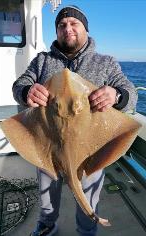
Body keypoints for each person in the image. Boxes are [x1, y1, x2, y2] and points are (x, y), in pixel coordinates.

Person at [12, 5, 138, 236]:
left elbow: (129, 91)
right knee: (47, 193)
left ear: (85, 29)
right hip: (47, 144)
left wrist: (116, 94)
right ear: (57, 31)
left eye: (73, 23)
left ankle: (87, 230)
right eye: (61, 25)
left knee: (89, 193)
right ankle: (48, 225)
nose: (67, 28)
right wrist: (27, 91)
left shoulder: (106, 63)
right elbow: (19, 85)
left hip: (90, 148)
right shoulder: (41, 61)